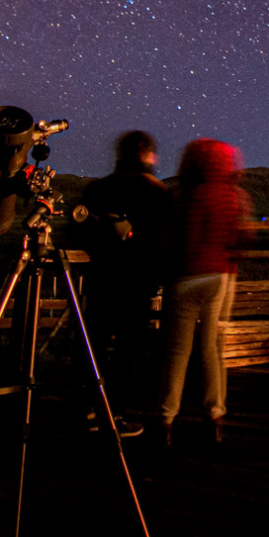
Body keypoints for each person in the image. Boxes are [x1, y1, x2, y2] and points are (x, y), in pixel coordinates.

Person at [72, 130, 172, 436]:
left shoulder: (98, 189)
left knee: (94, 347)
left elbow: (78, 230)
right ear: (146, 155)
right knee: (127, 353)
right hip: (138, 281)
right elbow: (164, 239)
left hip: (101, 277)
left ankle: (86, 410)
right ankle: (113, 416)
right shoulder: (156, 192)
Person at [155, 138, 251, 444]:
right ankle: (215, 416)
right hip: (217, 277)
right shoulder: (232, 196)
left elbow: (174, 241)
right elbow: (241, 237)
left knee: (177, 352)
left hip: (183, 278)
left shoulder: (181, 195)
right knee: (210, 350)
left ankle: (166, 419)